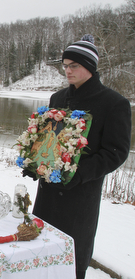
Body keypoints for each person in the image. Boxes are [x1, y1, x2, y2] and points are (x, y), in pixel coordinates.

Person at [31, 35, 131, 279]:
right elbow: (48, 138)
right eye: (65, 65)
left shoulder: (113, 103)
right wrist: (35, 161)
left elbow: (115, 152)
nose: (67, 70)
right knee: (40, 252)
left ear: (90, 67)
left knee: (71, 259)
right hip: (48, 191)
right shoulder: (58, 98)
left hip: (80, 194)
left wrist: (79, 173)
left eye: (73, 65)